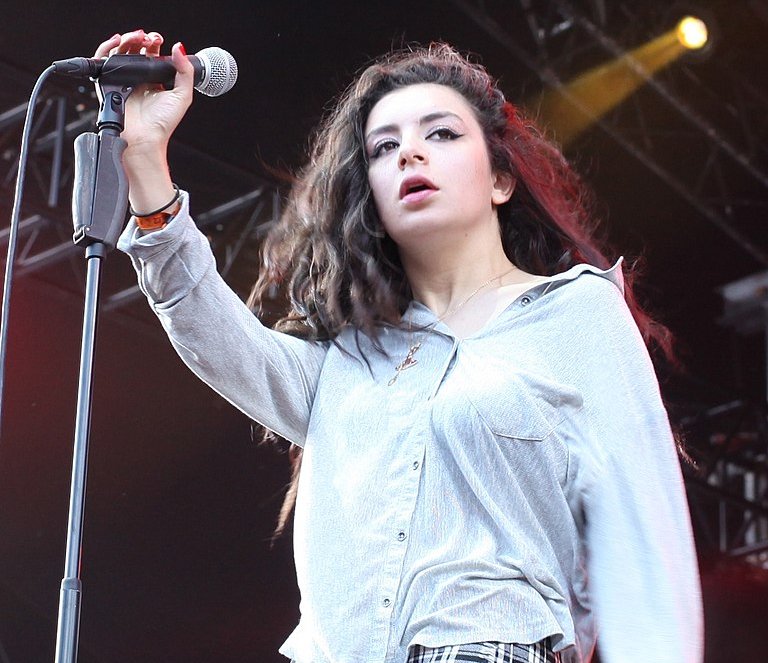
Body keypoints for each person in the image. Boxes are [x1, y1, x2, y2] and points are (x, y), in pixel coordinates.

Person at [95, 29, 703, 663]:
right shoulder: (351, 362)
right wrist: (143, 158)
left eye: (441, 134)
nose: (411, 154)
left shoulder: (574, 316)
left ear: (500, 180)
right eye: (385, 147)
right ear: (372, 200)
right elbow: (214, 333)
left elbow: (642, 540)